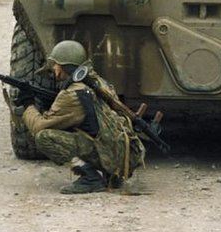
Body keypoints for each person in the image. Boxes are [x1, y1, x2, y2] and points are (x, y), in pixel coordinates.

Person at [19, 40, 145, 194]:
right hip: (117, 151)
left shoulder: (72, 94)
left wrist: (28, 105)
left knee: (44, 137)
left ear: (64, 66)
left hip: (108, 153)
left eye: (55, 65)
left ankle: (90, 177)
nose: (53, 69)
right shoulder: (95, 82)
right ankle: (109, 173)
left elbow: (38, 125)